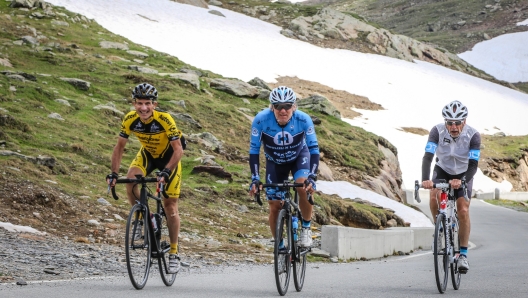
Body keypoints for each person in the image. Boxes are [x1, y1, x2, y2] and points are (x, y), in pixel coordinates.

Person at [106, 83, 184, 274]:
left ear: (154, 104)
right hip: (148, 155)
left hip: (169, 158)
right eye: (139, 103)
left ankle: (174, 253)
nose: (143, 108)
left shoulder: (165, 119)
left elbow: (178, 149)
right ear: (134, 104)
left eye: (147, 103)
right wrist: (114, 174)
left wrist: (165, 172)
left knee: (170, 207)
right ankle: (142, 216)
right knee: (131, 179)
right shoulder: (130, 119)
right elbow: (119, 147)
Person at [248, 86, 320, 249]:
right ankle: (280, 247)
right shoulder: (261, 120)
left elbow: (314, 149)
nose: (283, 110)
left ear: (294, 107)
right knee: (274, 205)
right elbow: (254, 150)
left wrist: (312, 176)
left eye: (287, 106)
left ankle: (306, 229)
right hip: (274, 162)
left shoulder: (303, 119)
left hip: (299, 157)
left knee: (303, 186)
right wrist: (255, 178)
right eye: (278, 106)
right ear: (272, 107)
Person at [421, 100, 480, 273]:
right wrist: (425, 179)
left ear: (465, 121)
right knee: (434, 195)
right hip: (443, 169)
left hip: (464, 172)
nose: (453, 127)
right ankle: (439, 228)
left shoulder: (473, 135)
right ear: (445, 122)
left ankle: (462, 255)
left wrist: (462, 180)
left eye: (457, 122)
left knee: (463, 211)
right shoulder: (437, 131)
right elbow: (428, 157)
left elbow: (474, 165)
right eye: (449, 123)